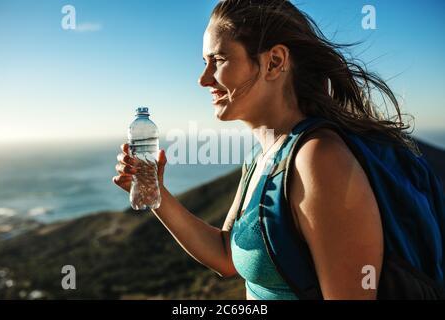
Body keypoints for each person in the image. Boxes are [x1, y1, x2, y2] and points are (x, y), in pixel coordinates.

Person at [113, 0, 443, 300]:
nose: (203, 79)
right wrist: (155, 192)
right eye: (204, 62)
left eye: (218, 60)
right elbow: (227, 256)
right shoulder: (262, 156)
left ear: (274, 62)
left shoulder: (319, 160)